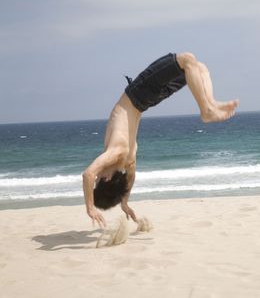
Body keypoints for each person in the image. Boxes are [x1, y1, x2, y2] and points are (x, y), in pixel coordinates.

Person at [82, 52, 239, 228]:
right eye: (98, 182)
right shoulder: (115, 151)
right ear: (106, 179)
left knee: (198, 68)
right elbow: (88, 174)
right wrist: (90, 208)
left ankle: (210, 104)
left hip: (147, 102)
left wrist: (124, 203)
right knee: (187, 59)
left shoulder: (128, 160)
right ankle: (207, 109)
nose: (96, 179)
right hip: (138, 93)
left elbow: (131, 178)